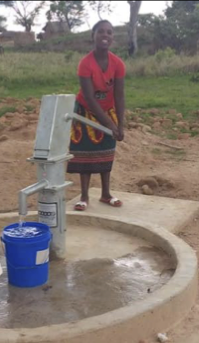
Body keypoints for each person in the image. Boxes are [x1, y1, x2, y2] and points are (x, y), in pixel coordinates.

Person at [66, 20, 126, 211]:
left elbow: (119, 95)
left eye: (109, 32)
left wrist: (120, 125)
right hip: (85, 111)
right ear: (93, 35)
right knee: (85, 153)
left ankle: (105, 194)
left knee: (106, 152)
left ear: (113, 37)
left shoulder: (117, 64)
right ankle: (84, 196)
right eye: (101, 32)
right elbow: (90, 99)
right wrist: (110, 124)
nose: (105, 36)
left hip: (108, 111)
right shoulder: (86, 63)